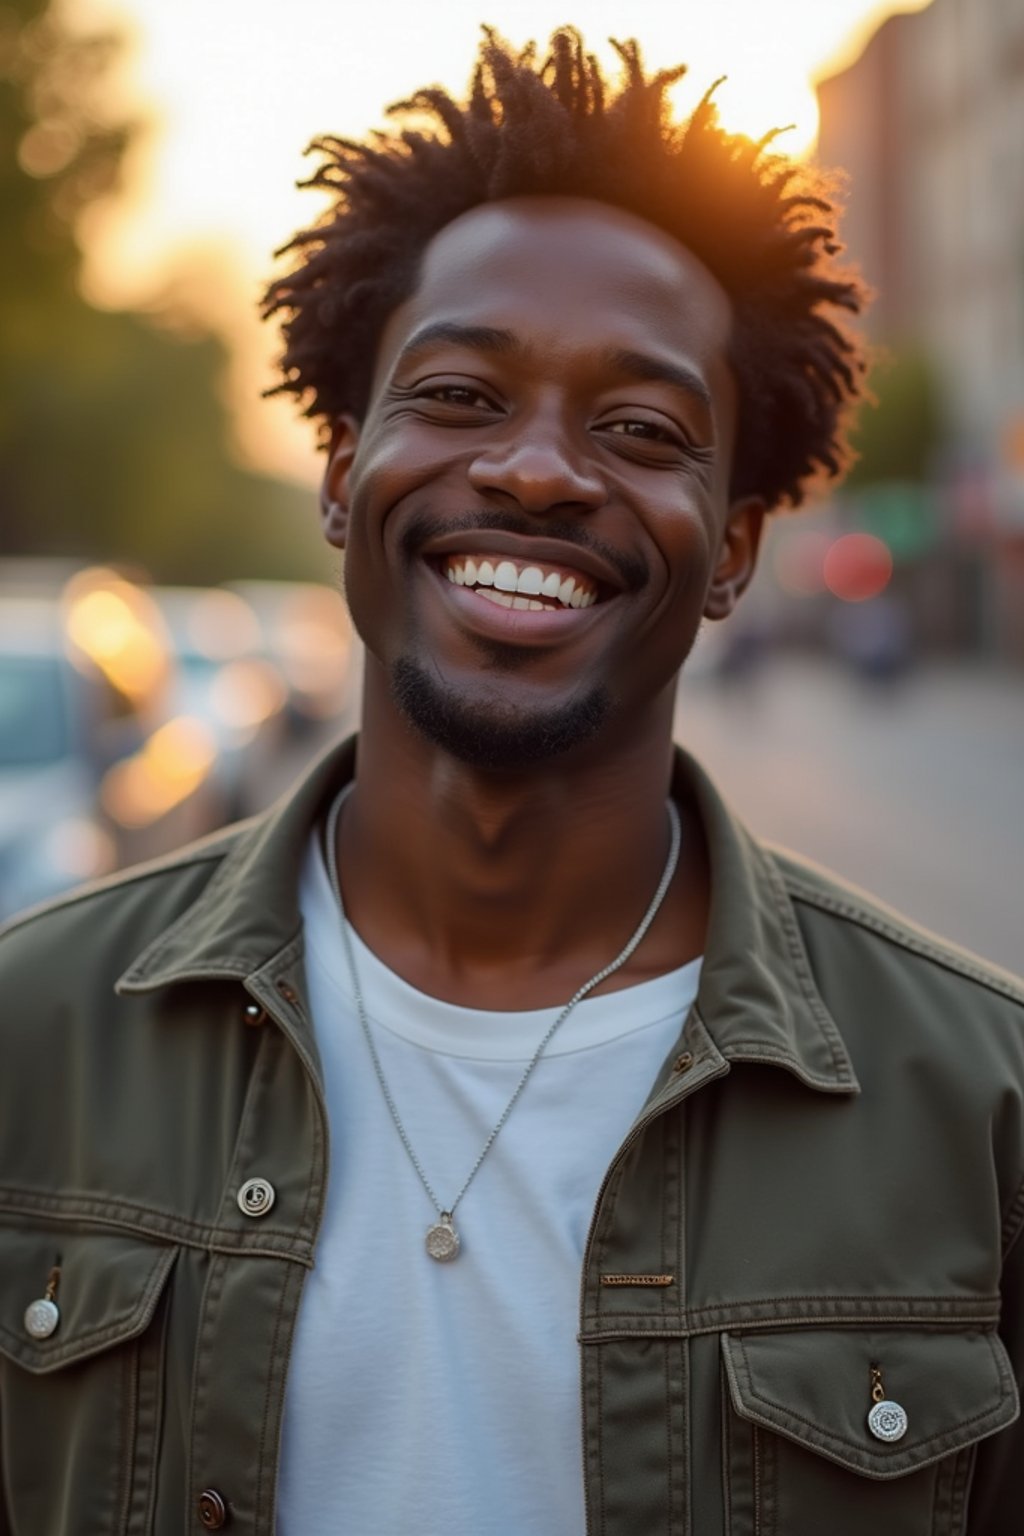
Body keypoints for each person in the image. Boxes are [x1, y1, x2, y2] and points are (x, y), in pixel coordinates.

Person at [1, 27, 1022, 1536]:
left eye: (641, 428)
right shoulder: (34, 1042)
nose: (539, 471)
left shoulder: (981, 1109)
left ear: (732, 546)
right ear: (344, 469)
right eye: (464, 396)